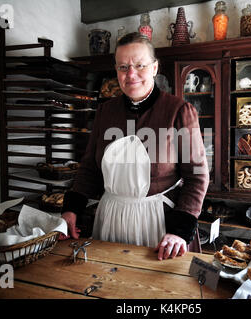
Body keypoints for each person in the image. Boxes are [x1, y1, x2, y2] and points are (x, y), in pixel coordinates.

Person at [60, 32, 209, 260]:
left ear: (155, 68)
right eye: (122, 67)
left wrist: (180, 230)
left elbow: (197, 175)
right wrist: (71, 209)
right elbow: (89, 167)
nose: (131, 74)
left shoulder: (179, 111)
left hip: (159, 223)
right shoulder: (105, 111)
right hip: (111, 218)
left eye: (140, 65)